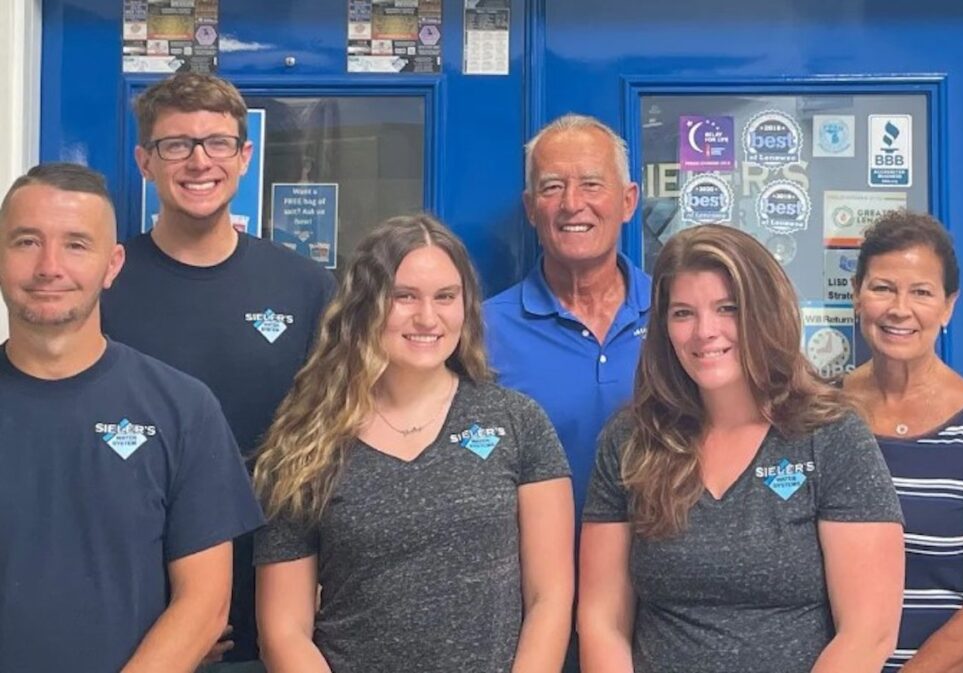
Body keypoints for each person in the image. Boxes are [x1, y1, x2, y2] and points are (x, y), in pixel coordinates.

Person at [251, 214, 574, 672]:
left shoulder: (517, 422)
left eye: (446, 297)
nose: (427, 317)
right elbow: (284, 630)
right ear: (365, 305)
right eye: (404, 297)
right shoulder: (306, 443)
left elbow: (551, 597)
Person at [578, 224, 905, 672]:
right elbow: (601, 620)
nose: (704, 332)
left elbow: (869, 633)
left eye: (726, 308)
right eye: (682, 313)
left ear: (763, 313)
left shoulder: (831, 435)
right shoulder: (632, 440)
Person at [102, 72, 336, 669]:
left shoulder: (306, 287)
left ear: (244, 155)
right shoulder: (106, 288)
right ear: (144, 162)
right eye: (175, 144)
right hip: (133, 611)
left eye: (217, 143)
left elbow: (335, 441)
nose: (198, 161)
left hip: (278, 606)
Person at [0, 163, 265, 673]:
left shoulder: (182, 409)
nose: (49, 266)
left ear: (112, 264)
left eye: (77, 244)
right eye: (27, 242)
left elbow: (205, 603)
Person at [844, 211, 963, 673]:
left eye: (921, 292)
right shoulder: (816, 416)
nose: (899, 308)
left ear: (948, 306)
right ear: (857, 296)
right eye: (882, 287)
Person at [484, 113, 649, 529]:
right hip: (531, 587)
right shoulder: (482, 332)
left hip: (667, 583)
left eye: (592, 184)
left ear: (628, 201)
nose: (573, 204)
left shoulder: (681, 319)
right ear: (530, 208)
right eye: (552, 187)